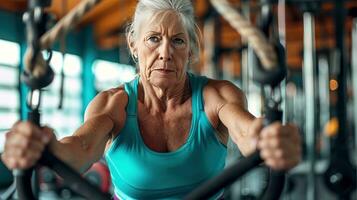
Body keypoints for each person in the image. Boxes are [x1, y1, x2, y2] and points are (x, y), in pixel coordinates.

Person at [1, 0, 301, 199]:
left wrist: (268, 138)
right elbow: (79, 148)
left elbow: (248, 132)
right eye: (153, 38)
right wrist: (43, 147)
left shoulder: (216, 95)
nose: (165, 52)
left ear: (191, 51)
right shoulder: (112, 104)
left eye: (178, 41)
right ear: (134, 45)